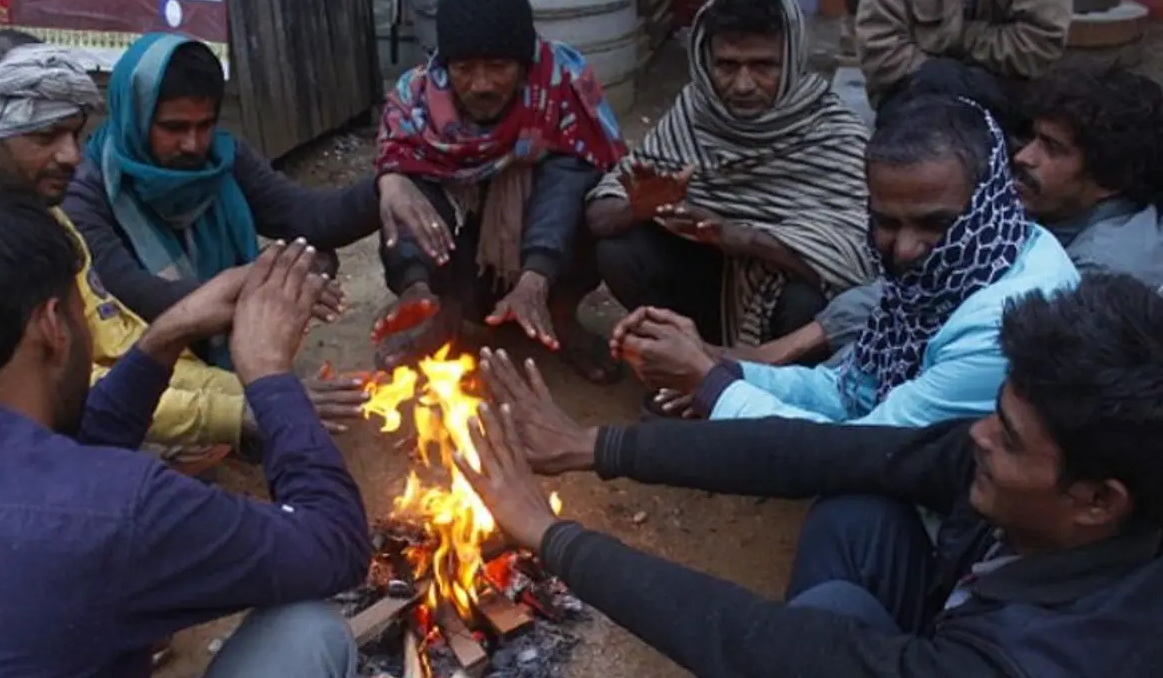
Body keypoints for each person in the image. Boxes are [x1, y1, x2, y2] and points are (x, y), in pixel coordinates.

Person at [459, 273, 1163, 678]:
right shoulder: (1062, 478)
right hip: (962, 617)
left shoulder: (1046, 659)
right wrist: (597, 447)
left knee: (813, 642)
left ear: (1098, 501)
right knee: (859, 511)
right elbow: (824, 453)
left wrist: (553, 536)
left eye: (1006, 437)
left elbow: (764, 646)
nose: (976, 434)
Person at [0, 193, 370, 677]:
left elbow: (53, 466)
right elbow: (336, 543)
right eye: (81, 310)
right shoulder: (124, 511)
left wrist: (164, 336)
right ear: (53, 325)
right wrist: (268, 374)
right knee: (308, 632)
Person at [0, 29, 291, 457]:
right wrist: (232, 412)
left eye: (74, 135)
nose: (72, 157)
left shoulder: (35, 200)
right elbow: (54, 387)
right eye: (45, 137)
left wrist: (253, 393)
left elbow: (115, 339)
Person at [618, 94, 1080, 426]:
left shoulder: (1003, 324)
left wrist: (712, 386)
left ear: (990, 202)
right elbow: (846, 391)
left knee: (852, 517)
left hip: (960, 526)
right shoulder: (971, 262)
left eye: (933, 224)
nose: (904, 250)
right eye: (888, 223)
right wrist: (725, 370)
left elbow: (870, 448)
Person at [63, 32, 421, 433]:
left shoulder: (223, 157)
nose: (193, 144)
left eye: (205, 124)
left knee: (313, 256)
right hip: (142, 365)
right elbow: (142, 297)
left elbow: (307, 216)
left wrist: (389, 183)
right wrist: (271, 286)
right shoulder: (85, 196)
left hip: (218, 333)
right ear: (134, 115)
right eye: (173, 127)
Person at [752, 67, 1163, 370]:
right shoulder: (1054, 210)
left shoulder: (1104, 269)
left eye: (1052, 148)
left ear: (1109, 179)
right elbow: (922, 287)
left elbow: (938, 310)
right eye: (1032, 138)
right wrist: (783, 350)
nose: (1023, 156)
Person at [371, 0, 627, 384]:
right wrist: (391, 180)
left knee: (584, 182)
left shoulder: (564, 87)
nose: (482, 84)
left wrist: (535, 279)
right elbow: (392, 163)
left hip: (548, 253)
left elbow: (589, 174)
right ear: (445, 63)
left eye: (498, 66)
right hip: (467, 262)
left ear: (525, 64)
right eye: (465, 68)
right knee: (401, 189)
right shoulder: (416, 101)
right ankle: (440, 312)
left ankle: (555, 312)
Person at [588, 0, 873, 353]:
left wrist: (742, 238)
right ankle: (685, 358)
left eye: (763, 66)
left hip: (783, 306)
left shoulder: (835, 132)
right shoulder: (694, 115)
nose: (742, 85)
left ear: (792, 62)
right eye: (727, 65)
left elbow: (861, 261)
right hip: (701, 288)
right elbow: (598, 216)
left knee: (811, 302)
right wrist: (638, 208)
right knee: (620, 251)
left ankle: (767, 386)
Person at [857, 0, 1073, 112]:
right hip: (912, 89)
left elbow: (1038, 45)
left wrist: (951, 35)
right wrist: (938, 76)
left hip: (1001, 94)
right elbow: (879, 46)